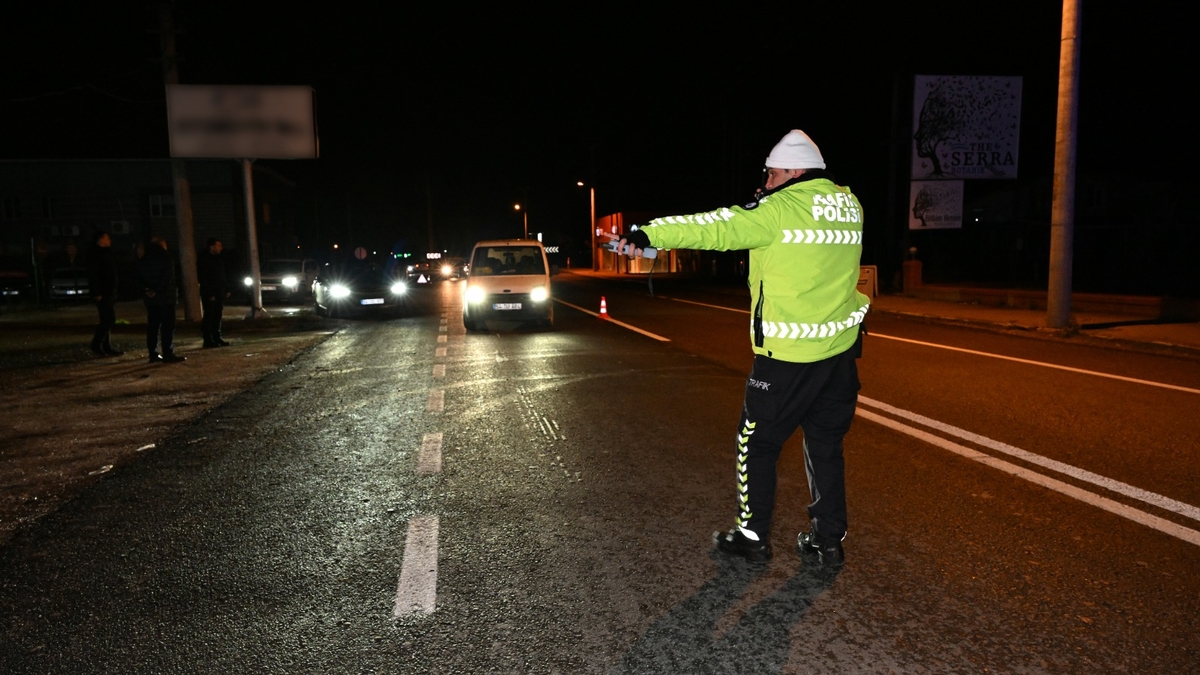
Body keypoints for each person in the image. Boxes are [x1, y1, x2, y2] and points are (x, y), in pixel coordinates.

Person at [616, 129, 869, 568]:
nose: (766, 183)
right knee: (825, 446)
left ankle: (752, 537)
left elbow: (716, 226)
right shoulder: (851, 206)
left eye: (772, 174)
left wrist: (649, 233)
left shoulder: (778, 210)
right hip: (840, 353)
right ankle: (827, 541)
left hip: (788, 357)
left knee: (756, 442)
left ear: (794, 171)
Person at [138, 236, 186, 364]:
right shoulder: (166, 257)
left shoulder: (144, 258)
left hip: (150, 299)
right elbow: (167, 277)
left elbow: (139, 276)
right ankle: (167, 353)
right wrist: (157, 290)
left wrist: (148, 290)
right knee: (167, 326)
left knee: (153, 326)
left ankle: (152, 353)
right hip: (165, 297)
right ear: (162, 245)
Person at [86, 230, 123, 356]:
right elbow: (93, 275)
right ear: (101, 240)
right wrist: (97, 292)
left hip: (108, 292)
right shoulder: (96, 255)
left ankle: (106, 346)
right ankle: (96, 344)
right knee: (108, 319)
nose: (110, 240)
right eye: (107, 238)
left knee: (106, 319)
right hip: (103, 293)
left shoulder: (105, 253)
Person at [197, 237, 230, 348]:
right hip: (210, 293)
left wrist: (226, 289)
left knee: (217, 315)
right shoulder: (204, 259)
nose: (221, 248)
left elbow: (222, 275)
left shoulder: (218, 259)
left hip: (219, 291)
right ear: (212, 247)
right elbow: (203, 278)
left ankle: (217, 337)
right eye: (218, 245)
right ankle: (208, 339)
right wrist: (210, 293)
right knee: (209, 316)